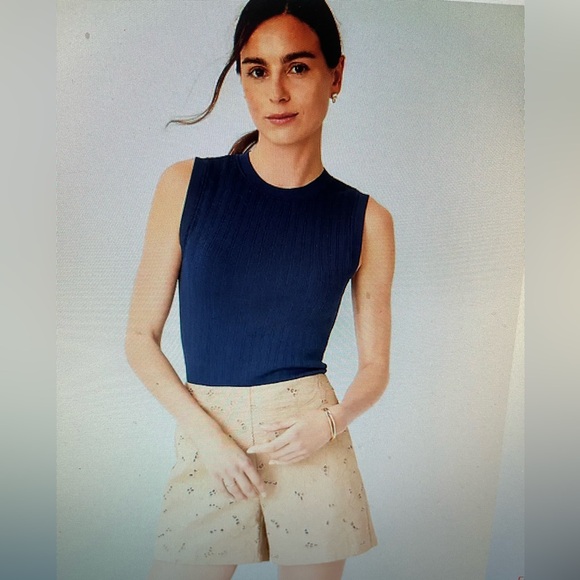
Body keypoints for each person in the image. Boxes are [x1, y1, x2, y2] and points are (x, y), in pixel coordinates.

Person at [125, 1, 395, 578]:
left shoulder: (367, 220)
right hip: (209, 441)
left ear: (336, 75)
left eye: (297, 67)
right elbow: (139, 338)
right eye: (256, 70)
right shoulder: (185, 186)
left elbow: (376, 369)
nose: (276, 92)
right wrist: (209, 439)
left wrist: (329, 423)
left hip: (312, 439)